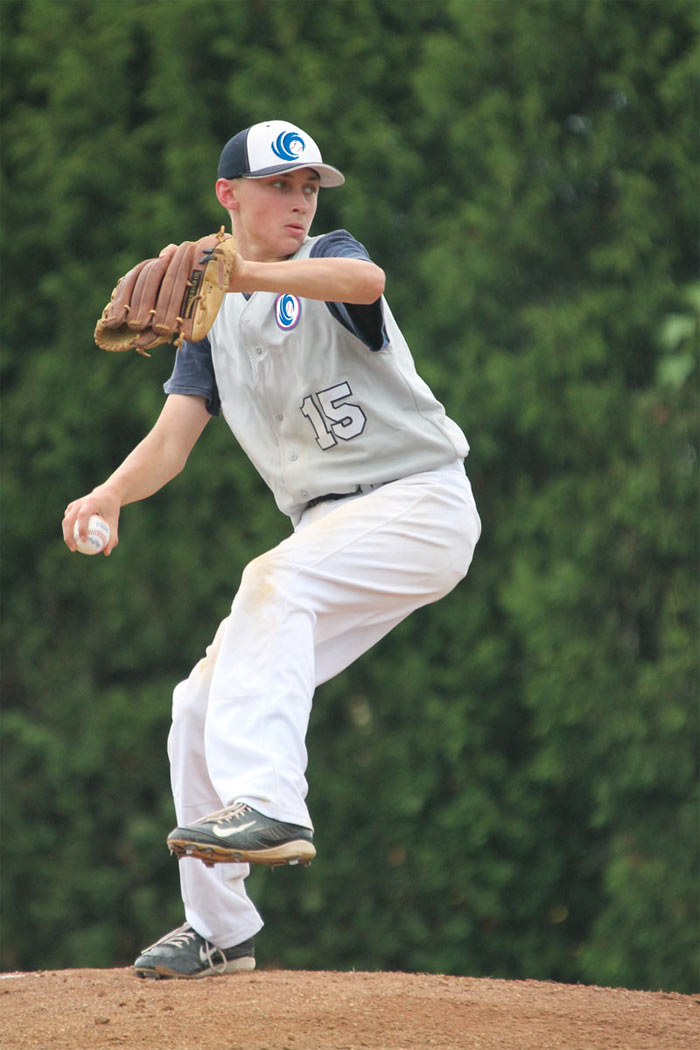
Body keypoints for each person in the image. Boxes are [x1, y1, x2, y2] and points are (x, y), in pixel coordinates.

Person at [62, 119, 481, 979]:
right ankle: (221, 931)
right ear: (229, 196)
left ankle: (271, 807)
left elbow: (367, 277)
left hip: (420, 501)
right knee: (196, 707)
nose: (299, 201)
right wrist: (109, 492)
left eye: (308, 186)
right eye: (280, 186)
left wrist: (245, 271)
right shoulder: (209, 324)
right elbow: (174, 438)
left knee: (269, 583)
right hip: (331, 530)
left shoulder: (327, 256)